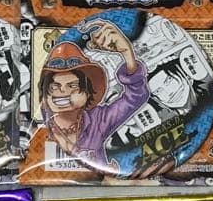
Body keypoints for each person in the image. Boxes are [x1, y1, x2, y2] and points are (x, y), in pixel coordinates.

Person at [39, 18, 149, 163]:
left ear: (88, 92)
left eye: (73, 86)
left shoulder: (98, 121)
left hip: (100, 176)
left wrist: (127, 53)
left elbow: (135, 97)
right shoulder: (39, 120)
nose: (62, 91)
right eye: (54, 86)